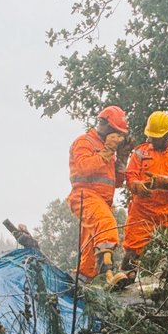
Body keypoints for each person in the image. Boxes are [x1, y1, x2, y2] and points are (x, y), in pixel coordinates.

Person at [119, 111, 168, 282]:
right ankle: (125, 280)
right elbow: (130, 175)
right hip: (142, 211)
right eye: (150, 136)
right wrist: (136, 186)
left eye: (155, 137)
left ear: (167, 135)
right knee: (131, 251)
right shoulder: (140, 153)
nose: (150, 140)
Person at [67, 105, 129, 286]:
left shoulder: (106, 148)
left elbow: (117, 182)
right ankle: (109, 274)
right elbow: (85, 168)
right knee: (106, 224)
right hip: (84, 196)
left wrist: (122, 158)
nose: (118, 137)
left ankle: (79, 283)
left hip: (102, 201)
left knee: (88, 253)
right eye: (116, 132)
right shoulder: (84, 142)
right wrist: (108, 151)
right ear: (105, 125)